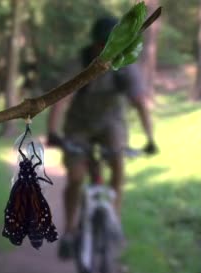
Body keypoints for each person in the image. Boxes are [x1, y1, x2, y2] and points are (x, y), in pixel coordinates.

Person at [46, 16, 158, 259]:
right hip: (79, 125)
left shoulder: (127, 66)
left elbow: (139, 103)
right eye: (102, 45)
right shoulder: (80, 62)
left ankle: (112, 223)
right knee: (76, 177)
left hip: (111, 124)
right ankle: (69, 232)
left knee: (118, 165)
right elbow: (60, 99)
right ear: (95, 44)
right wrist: (53, 132)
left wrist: (150, 139)